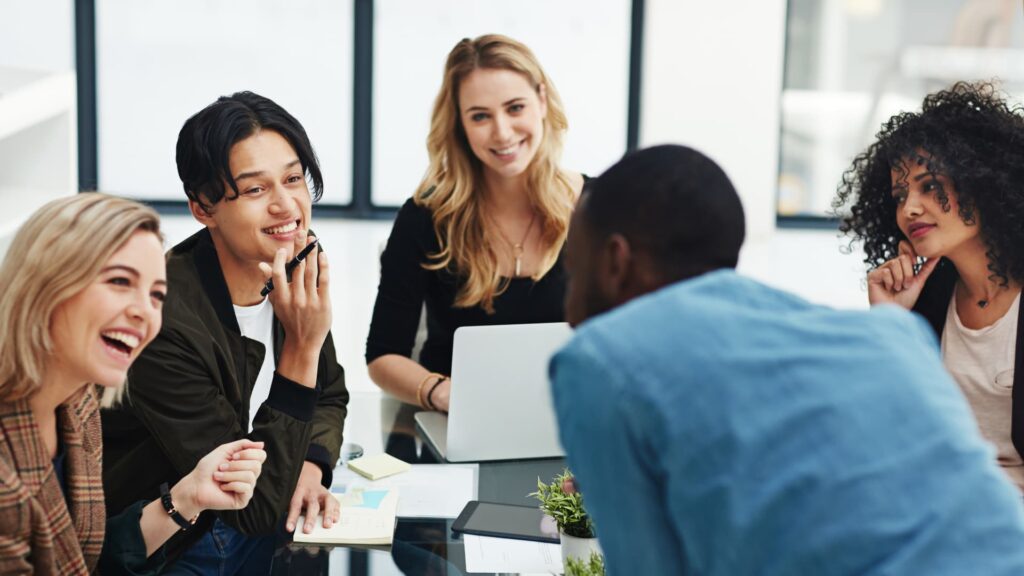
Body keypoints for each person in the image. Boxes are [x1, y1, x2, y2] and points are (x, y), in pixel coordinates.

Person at [551, 144, 1024, 575]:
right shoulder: (883, 334)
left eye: (571, 270)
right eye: (901, 194)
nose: (568, 308)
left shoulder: (597, 362)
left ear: (615, 261)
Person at [101, 92, 349, 574]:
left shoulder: (292, 264)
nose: (286, 206)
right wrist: (300, 345)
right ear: (203, 208)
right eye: (255, 190)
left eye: (294, 179)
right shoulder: (161, 319)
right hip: (185, 538)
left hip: (270, 507)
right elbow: (248, 508)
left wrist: (311, 465)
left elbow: (330, 394)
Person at [0, 193, 267, 575]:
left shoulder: (77, 405)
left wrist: (188, 497)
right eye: (120, 281)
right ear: (45, 286)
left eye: (157, 294)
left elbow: (84, 562)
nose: (145, 312)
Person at [366, 34, 585, 414]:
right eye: (480, 116)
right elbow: (383, 356)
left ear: (543, 101)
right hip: (454, 423)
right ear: (460, 125)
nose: (502, 132)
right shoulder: (424, 218)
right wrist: (440, 392)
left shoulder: (597, 209)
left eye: (515, 107)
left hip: (572, 423)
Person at [834, 81, 1024, 491]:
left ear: (984, 183)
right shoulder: (927, 298)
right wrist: (890, 323)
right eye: (900, 195)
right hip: (940, 510)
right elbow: (880, 431)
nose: (910, 208)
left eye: (930, 185)